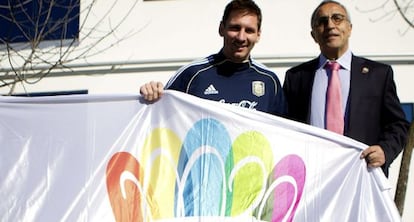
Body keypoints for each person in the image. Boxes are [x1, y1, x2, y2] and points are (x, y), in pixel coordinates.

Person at [283, 0, 409, 176]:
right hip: (313, 178)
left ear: (349, 28)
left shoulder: (379, 75)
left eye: (337, 18)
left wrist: (385, 151)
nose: (330, 25)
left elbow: (397, 124)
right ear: (314, 35)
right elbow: (285, 129)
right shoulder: (297, 77)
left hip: (362, 175)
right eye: (322, 21)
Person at [140, 0, 286, 116]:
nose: (241, 37)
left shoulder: (269, 81)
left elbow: (284, 133)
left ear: (258, 35)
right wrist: (151, 94)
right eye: (235, 28)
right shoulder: (192, 74)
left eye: (249, 30)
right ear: (221, 29)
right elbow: (159, 117)